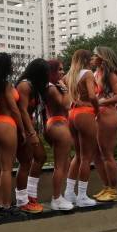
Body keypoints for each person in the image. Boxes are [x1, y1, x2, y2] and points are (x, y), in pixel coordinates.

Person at [0, 53, 26, 216]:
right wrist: (22, 129)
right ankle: (6, 204)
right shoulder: (7, 86)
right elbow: (14, 109)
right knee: (7, 169)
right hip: (7, 125)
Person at [64, 49, 99, 207]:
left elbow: (65, 97)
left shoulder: (68, 76)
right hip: (86, 114)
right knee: (86, 157)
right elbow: (92, 96)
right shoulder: (88, 74)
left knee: (77, 156)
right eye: (91, 58)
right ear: (85, 60)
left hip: (72, 114)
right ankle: (82, 196)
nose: (93, 60)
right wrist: (96, 109)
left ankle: (69, 193)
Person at [91, 47, 117, 201]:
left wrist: (102, 102)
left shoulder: (110, 75)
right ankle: (106, 186)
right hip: (99, 114)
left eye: (95, 55)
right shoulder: (96, 73)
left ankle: (113, 189)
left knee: (106, 154)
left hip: (108, 114)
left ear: (103, 58)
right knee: (97, 154)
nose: (92, 57)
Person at [14, 59, 49, 213]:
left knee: (40, 157)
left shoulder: (34, 87)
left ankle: (31, 195)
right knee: (25, 163)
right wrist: (31, 133)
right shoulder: (24, 85)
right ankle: (22, 201)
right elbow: (22, 110)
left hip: (29, 127)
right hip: (21, 128)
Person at [43, 60, 74, 210]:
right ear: (51, 71)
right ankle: (56, 198)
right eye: (59, 70)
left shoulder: (50, 86)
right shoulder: (52, 88)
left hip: (52, 123)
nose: (62, 72)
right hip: (59, 125)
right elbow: (67, 105)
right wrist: (67, 91)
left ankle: (59, 196)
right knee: (60, 166)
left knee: (64, 164)